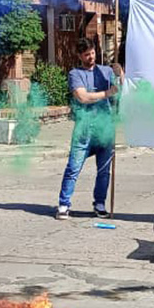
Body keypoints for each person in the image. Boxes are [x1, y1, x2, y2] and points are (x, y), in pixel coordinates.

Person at [56, 38, 119, 220]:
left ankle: (99, 205)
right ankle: (64, 204)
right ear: (80, 56)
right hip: (84, 129)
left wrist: (120, 74)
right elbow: (83, 97)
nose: (91, 57)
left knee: (104, 170)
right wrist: (107, 93)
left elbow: (122, 89)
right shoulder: (75, 74)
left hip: (105, 127)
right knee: (73, 167)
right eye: (86, 55)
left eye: (92, 53)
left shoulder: (106, 71)